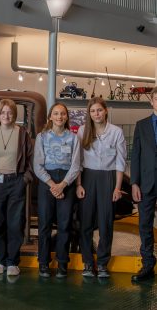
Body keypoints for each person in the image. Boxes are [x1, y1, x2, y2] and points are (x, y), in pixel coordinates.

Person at [0, 98, 33, 277]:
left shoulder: (22, 134)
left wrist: (24, 180)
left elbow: (30, 159)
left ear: (14, 114)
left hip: (16, 182)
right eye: (3, 112)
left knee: (15, 223)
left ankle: (12, 262)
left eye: (10, 112)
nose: (6, 115)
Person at [76, 97, 126, 278]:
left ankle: (103, 263)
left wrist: (117, 188)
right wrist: (79, 184)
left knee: (106, 222)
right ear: (89, 114)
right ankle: (88, 262)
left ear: (105, 111)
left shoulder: (116, 132)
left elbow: (120, 162)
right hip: (88, 177)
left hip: (108, 178)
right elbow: (78, 162)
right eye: (92, 111)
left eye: (99, 110)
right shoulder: (83, 131)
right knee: (86, 222)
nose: (96, 114)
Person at [34, 102, 80, 278]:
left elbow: (76, 165)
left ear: (66, 117)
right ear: (50, 117)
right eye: (56, 113)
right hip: (47, 182)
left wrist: (63, 184)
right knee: (44, 224)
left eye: (62, 114)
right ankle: (43, 263)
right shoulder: (42, 137)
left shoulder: (73, 138)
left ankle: (62, 263)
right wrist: (52, 184)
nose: (59, 117)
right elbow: (37, 165)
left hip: (66, 183)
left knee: (64, 225)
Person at [130, 86, 157, 283]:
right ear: (152, 101)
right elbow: (136, 156)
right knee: (145, 226)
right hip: (146, 183)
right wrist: (134, 183)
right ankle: (148, 264)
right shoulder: (142, 125)